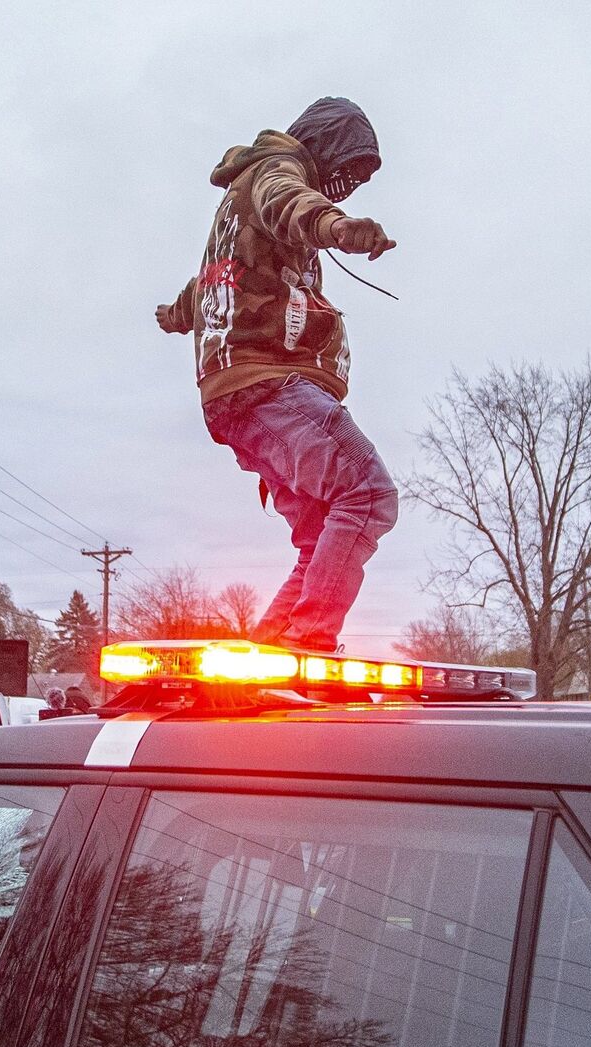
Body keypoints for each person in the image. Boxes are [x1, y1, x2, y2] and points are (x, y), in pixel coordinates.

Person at [155, 96, 399, 653]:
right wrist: (339, 227)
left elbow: (212, 281)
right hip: (271, 385)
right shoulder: (276, 169)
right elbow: (291, 201)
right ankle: (311, 645)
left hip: (237, 396)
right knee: (367, 493)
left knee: (321, 537)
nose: (348, 186)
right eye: (348, 171)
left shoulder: (238, 213)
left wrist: (177, 315)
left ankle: (265, 665)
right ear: (325, 146)